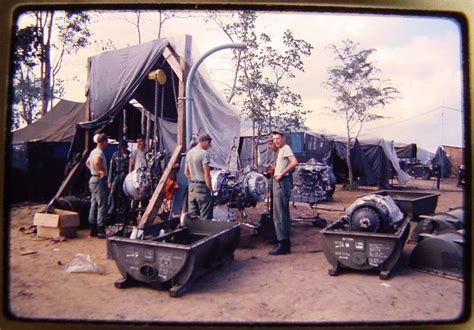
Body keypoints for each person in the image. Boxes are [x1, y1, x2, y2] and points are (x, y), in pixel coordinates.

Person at [269, 129, 298, 255]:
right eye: (274, 139)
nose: (276, 141)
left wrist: (281, 173)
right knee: (277, 213)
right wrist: (275, 170)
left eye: (278, 139)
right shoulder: (280, 150)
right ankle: (281, 241)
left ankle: (284, 244)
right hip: (277, 182)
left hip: (281, 183)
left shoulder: (285, 148)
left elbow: (294, 162)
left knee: (281, 214)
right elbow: (284, 165)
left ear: (283, 138)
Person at [184, 132, 214, 220]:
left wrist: (193, 180)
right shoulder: (204, 154)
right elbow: (207, 174)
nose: (208, 146)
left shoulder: (189, 153)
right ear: (205, 142)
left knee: (192, 217)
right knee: (205, 217)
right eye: (208, 143)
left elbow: (185, 172)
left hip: (192, 187)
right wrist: (210, 189)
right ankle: (206, 233)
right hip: (203, 188)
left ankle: (192, 233)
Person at [85, 133, 109, 238]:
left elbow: (88, 163)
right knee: (102, 204)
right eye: (106, 142)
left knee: (94, 203)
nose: (107, 144)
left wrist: (93, 170)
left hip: (92, 179)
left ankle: (93, 228)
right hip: (99, 180)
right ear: (103, 142)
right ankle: (100, 229)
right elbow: (96, 161)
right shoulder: (99, 152)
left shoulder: (93, 152)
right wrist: (101, 171)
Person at [107, 140, 130, 224]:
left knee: (125, 196)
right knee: (112, 193)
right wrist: (109, 181)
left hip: (126, 177)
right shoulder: (115, 155)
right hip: (117, 176)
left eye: (124, 147)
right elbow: (111, 168)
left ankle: (124, 215)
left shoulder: (129, 155)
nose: (122, 149)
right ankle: (110, 212)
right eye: (121, 147)